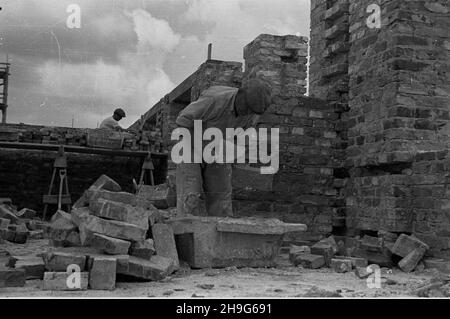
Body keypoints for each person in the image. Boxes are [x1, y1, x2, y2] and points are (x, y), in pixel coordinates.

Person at [175, 78, 272, 217]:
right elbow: (182, 121)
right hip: (189, 143)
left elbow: (240, 140)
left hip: (216, 148)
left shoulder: (250, 115)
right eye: (248, 107)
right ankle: (185, 235)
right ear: (241, 94)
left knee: (222, 200)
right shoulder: (215, 100)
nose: (249, 112)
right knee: (191, 195)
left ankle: (219, 236)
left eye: (253, 110)